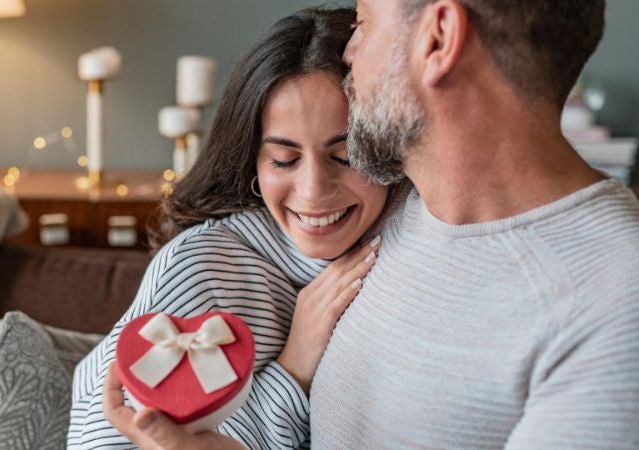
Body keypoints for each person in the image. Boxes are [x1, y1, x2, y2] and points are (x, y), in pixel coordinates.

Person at [103, 0, 639, 448]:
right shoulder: (389, 208)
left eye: (365, 22)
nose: (349, 51)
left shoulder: (612, 312)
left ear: (439, 37)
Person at [67, 7, 410, 449]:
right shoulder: (202, 270)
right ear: (254, 164)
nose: (313, 190)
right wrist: (293, 367)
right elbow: (104, 437)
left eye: (345, 157)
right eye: (284, 160)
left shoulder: (407, 233)